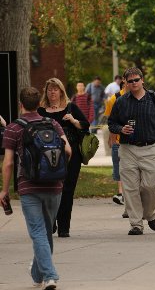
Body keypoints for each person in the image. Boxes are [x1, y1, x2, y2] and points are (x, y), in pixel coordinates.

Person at [1, 87, 71, 289]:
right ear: (40, 104)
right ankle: (37, 274)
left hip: (29, 186)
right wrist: (58, 173)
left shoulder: (14, 128)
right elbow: (67, 150)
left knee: (39, 232)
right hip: (54, 186)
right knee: (46, 232)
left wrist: (5, 190)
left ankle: (50, 276)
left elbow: (8, 163)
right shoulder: (52, 123)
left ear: (20, 103)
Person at [108, 67, 155, 235]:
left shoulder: (154, 98)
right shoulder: (121, 101)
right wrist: (121, 129)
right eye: (130, 81)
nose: (134, 83)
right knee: (130, 188)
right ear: (125, 83)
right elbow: (111, 123)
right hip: (128, 149)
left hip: (150, 147)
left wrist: (153, 130)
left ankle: (149, 214)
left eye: (136, 80)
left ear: (142, 80)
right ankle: (136, 224)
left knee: (150, 185)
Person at [38, 78, 90, 238]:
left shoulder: (70, 107)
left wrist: (73, 120)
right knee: (49, 189)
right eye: (49, 89)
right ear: (46, 92)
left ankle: (64, 227)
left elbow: (86, 125)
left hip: (70, 155)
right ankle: (51, 220)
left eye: (55, 89)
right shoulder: (41, 112)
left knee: (67, 190)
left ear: (61, 91)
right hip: (47, 156)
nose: (52, 92)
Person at [104, 79, 128, 215]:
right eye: (127, 81)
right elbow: (111, 121)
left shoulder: (143, 96)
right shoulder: (114, 99)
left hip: (136, 144)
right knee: (119, 169)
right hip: (118, 141)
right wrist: (112, 140)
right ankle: (121, 195)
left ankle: (128, 201)